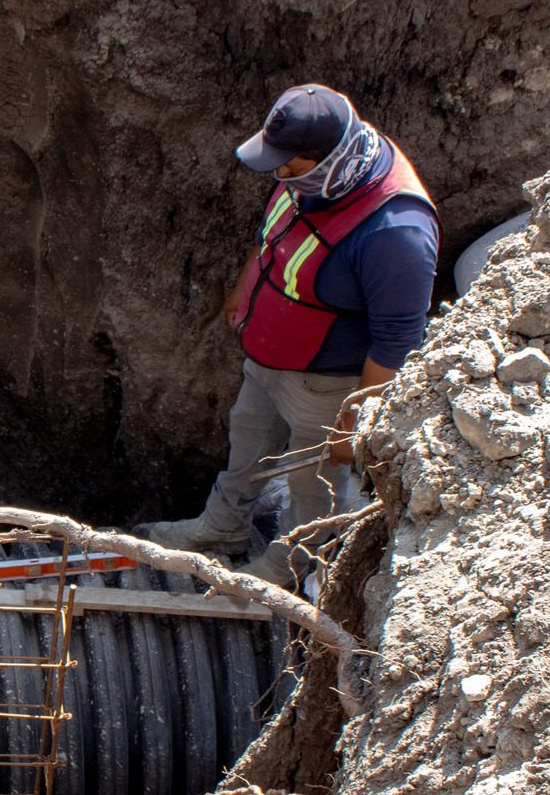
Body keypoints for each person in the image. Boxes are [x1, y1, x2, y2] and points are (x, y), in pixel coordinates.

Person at [145, 84, 439, 584]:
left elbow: (398, 340)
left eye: (289, 167)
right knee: (247, 442)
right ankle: (221, 528)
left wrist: (353, 424)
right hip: (270, 358)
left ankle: (290, 564)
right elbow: (274, 239)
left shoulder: (397, 233)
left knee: (313, 483)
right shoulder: (314, 178)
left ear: (329, 158)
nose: (279, 176)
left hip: (327, 385)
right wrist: (244, 290)